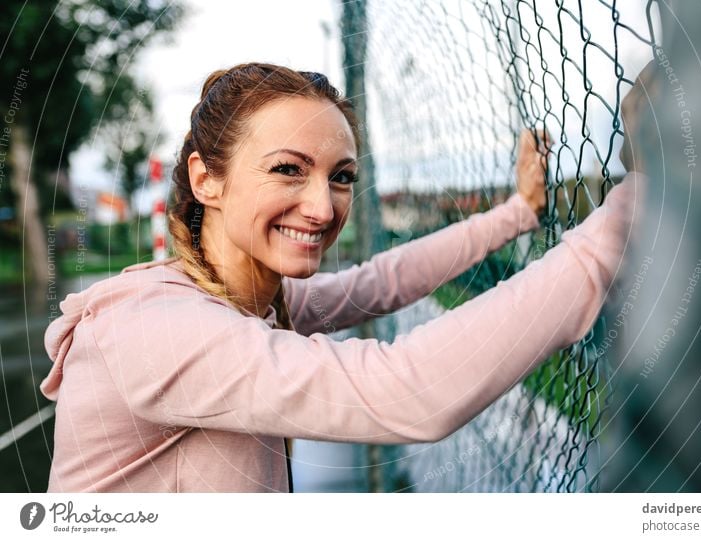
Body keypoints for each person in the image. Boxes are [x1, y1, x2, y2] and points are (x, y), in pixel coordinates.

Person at [41, 62, 643, 492]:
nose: (324, 208)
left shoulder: (252, 301)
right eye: (287, 169)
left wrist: (516, 215)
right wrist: (636, 208)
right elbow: (407, 391)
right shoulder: (159, 328)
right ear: (206, 181)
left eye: (342, 176)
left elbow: (382, 281)